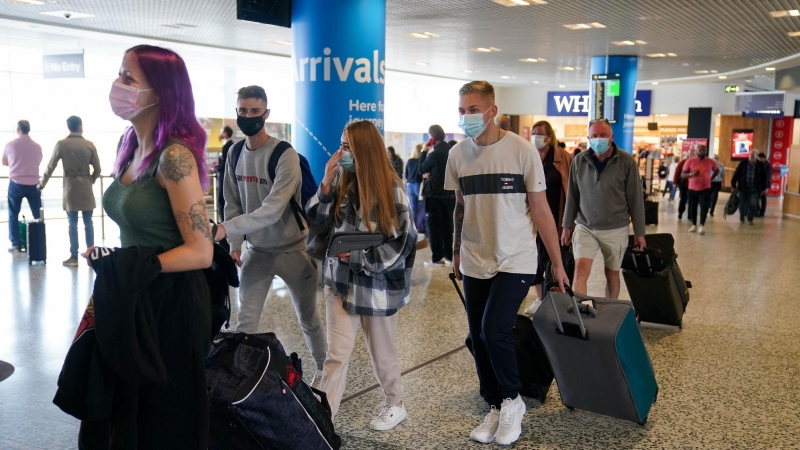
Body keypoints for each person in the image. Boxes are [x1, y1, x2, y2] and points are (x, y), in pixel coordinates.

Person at [80, 44, 213, 448]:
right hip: (134, 292)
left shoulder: (174, 157)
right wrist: (118, 260)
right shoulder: (129, 146)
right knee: (126, 409)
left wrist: (133, 267)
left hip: (171, 302)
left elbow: (201, 251)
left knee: (164, 416)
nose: (117, 85)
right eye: (119, 74)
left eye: (128, 78)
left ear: (161, 92)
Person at [447, 81, 569, 446]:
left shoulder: (521, 150)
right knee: (477, 336)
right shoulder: (457, 155)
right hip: (473, 258)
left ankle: (514, 401)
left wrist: (558, 265)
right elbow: (460, 206)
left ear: (491, 111)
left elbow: (542, 211)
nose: (466, 117)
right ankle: (496, 404)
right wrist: (455, 251)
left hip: (515, 257)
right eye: (461, 110)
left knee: (494, 330)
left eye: (472, 109)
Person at [306, 120, 416, 430]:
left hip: (377, 284)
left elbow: (402, 242)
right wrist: (325, 188)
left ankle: (396, 403)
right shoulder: (341, 179)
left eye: (348, 147)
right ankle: (321, 421)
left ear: (365, 150)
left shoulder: (391, 187)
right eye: (341, 145)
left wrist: (358, 257)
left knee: (382, 352)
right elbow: (318, 225)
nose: (341, 152)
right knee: (336, 354)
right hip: (340, 282)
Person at [213, 85, 327, 380]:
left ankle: (327, 372)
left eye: (254, 111)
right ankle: (238, 380)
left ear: (266, 114)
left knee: (309, 319)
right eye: (243, 110)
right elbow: (232, 201)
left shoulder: (284, 155)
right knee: (245, 321)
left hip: (294, 251)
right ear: (237, 111)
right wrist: (234, 243)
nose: (248, 116)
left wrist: (226, 230)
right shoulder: (235, 152)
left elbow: (272, 209)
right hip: (258, 253)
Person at [561, 118, 646, 299]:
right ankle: (580, 315)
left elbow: (635, 200)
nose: (598, 139)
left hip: (616, 228)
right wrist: (567, 225)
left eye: (603, 135)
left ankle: (609, 313)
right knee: (580, 271)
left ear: (611, 137)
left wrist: (640, 233)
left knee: (612, 274)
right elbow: (573, 197)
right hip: (586, 227)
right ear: (588, 138)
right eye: (594, 136)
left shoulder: (627, 162)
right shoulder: (579, 161)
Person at [523, 120, 573, 316]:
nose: (534, 136)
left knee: (553, 259)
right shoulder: (529, 156)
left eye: (538, 133)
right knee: (534, 259)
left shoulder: (563, 158)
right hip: (532, 219)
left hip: (556, 217)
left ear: (549, 137)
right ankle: (539, 299)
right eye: (532, 132)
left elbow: (571, 190)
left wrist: (569, 223)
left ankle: (558, 300)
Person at [38, 116, 101, 266]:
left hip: (70, 187)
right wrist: (90, 179)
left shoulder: (62, 144)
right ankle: (91, 255)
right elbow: (98, 169)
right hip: (86, 185)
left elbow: (50, 166)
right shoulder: (89, 145)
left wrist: (42, 184)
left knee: (72, 223)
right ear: (80, 126)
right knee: (88, 222)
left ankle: (74, 257)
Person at [3, 120, 42, 252]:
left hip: (16, 183)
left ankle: (16, 243)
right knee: (38, 215)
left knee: (13, 214)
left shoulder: (11, 145)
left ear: (18, 129)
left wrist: (16, 164)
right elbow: (38, 161)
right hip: (34, 184)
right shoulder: (37, 146)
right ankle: (39, 240)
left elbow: (4, 161)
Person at [419, 124, 455, 266]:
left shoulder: (434, 154)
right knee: (447, 225)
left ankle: (436, 257)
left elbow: (421, 169)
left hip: (433, 195)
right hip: (449, 194)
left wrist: (424, 151)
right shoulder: (452, 152)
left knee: (434, 226)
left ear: (432, 139)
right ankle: (448, 255)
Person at [681, 145, 718, 235]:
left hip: (705, 188)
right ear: (696, 151)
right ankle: (694, 224)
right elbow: (682, 175)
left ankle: (701, 225)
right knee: (692, 207)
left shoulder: (710, 161)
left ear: (706, 151)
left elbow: (717, 170)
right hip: (692, 188)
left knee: (704, 206)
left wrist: (711, 178)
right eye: (700, 149)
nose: (702, 151)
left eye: (703, 150)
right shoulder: (690, 161)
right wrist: (691, 174)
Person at [731, 149, 768, 225]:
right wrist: (733, 185)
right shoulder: (743, 163)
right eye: (750, 155)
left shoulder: (760, 165)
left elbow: (764, 178)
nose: (751, 156)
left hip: (755, 189)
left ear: (756, 156)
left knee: (753, 204)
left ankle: (750, 219)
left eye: (753, 155)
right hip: (743, 187)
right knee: (742, 203)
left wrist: (764, 188)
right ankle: (742, 215)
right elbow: (736, 174)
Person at [404, 143, 425, 234]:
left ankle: (414, 227)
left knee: (413, 208)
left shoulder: (410, 160)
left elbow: (406, 174)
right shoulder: (421, 160)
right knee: (424, 206)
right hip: (418, 184)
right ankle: (425, 227)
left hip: (409, 184)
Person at [215, 125, 234, 222]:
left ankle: (223, 224)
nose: (221, 134)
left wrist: (216, 168)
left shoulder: (226, 147)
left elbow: (224, 164)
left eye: (222, 132)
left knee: (221, 202)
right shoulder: (232, 146)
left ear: (225, 134)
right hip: (228, 178)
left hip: (223, 178)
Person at [674, 150, 694, 219]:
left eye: (693, 154)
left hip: (693, 185)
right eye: (691, 154)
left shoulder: (697, 163)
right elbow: (677, 172)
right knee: (683, 199)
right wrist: (675, 182)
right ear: (688, 155)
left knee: (692, 200)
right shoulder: (683, 162)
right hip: (684, 184)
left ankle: (690, 215)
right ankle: (680, 212)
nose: (692, 155)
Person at [757, 152, 770, 217]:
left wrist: (765, 187)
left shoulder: (767, 165)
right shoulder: (761, 164)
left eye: (759, 158)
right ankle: (758, 210)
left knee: (763, 198)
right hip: (761, 184)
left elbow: (767, 176)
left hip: (765, 184)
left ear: (763, 158)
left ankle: (762, 212)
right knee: (760, 197)